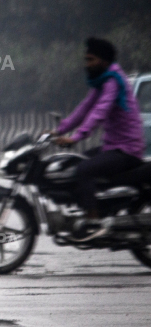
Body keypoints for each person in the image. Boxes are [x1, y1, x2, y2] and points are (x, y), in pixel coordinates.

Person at [53, 37, 145, 236]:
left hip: (126, 149)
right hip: (113, 146)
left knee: (84, 169)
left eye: (91, 59)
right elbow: (84, 108)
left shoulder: (113, 82)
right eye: (86, 59)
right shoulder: (102, 81)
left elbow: (99, 112)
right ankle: (89, 208)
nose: (87, 64)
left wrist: (77, 137)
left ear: (103, 61)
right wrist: (59, 130)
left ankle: (93, 220)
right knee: (72, 164)